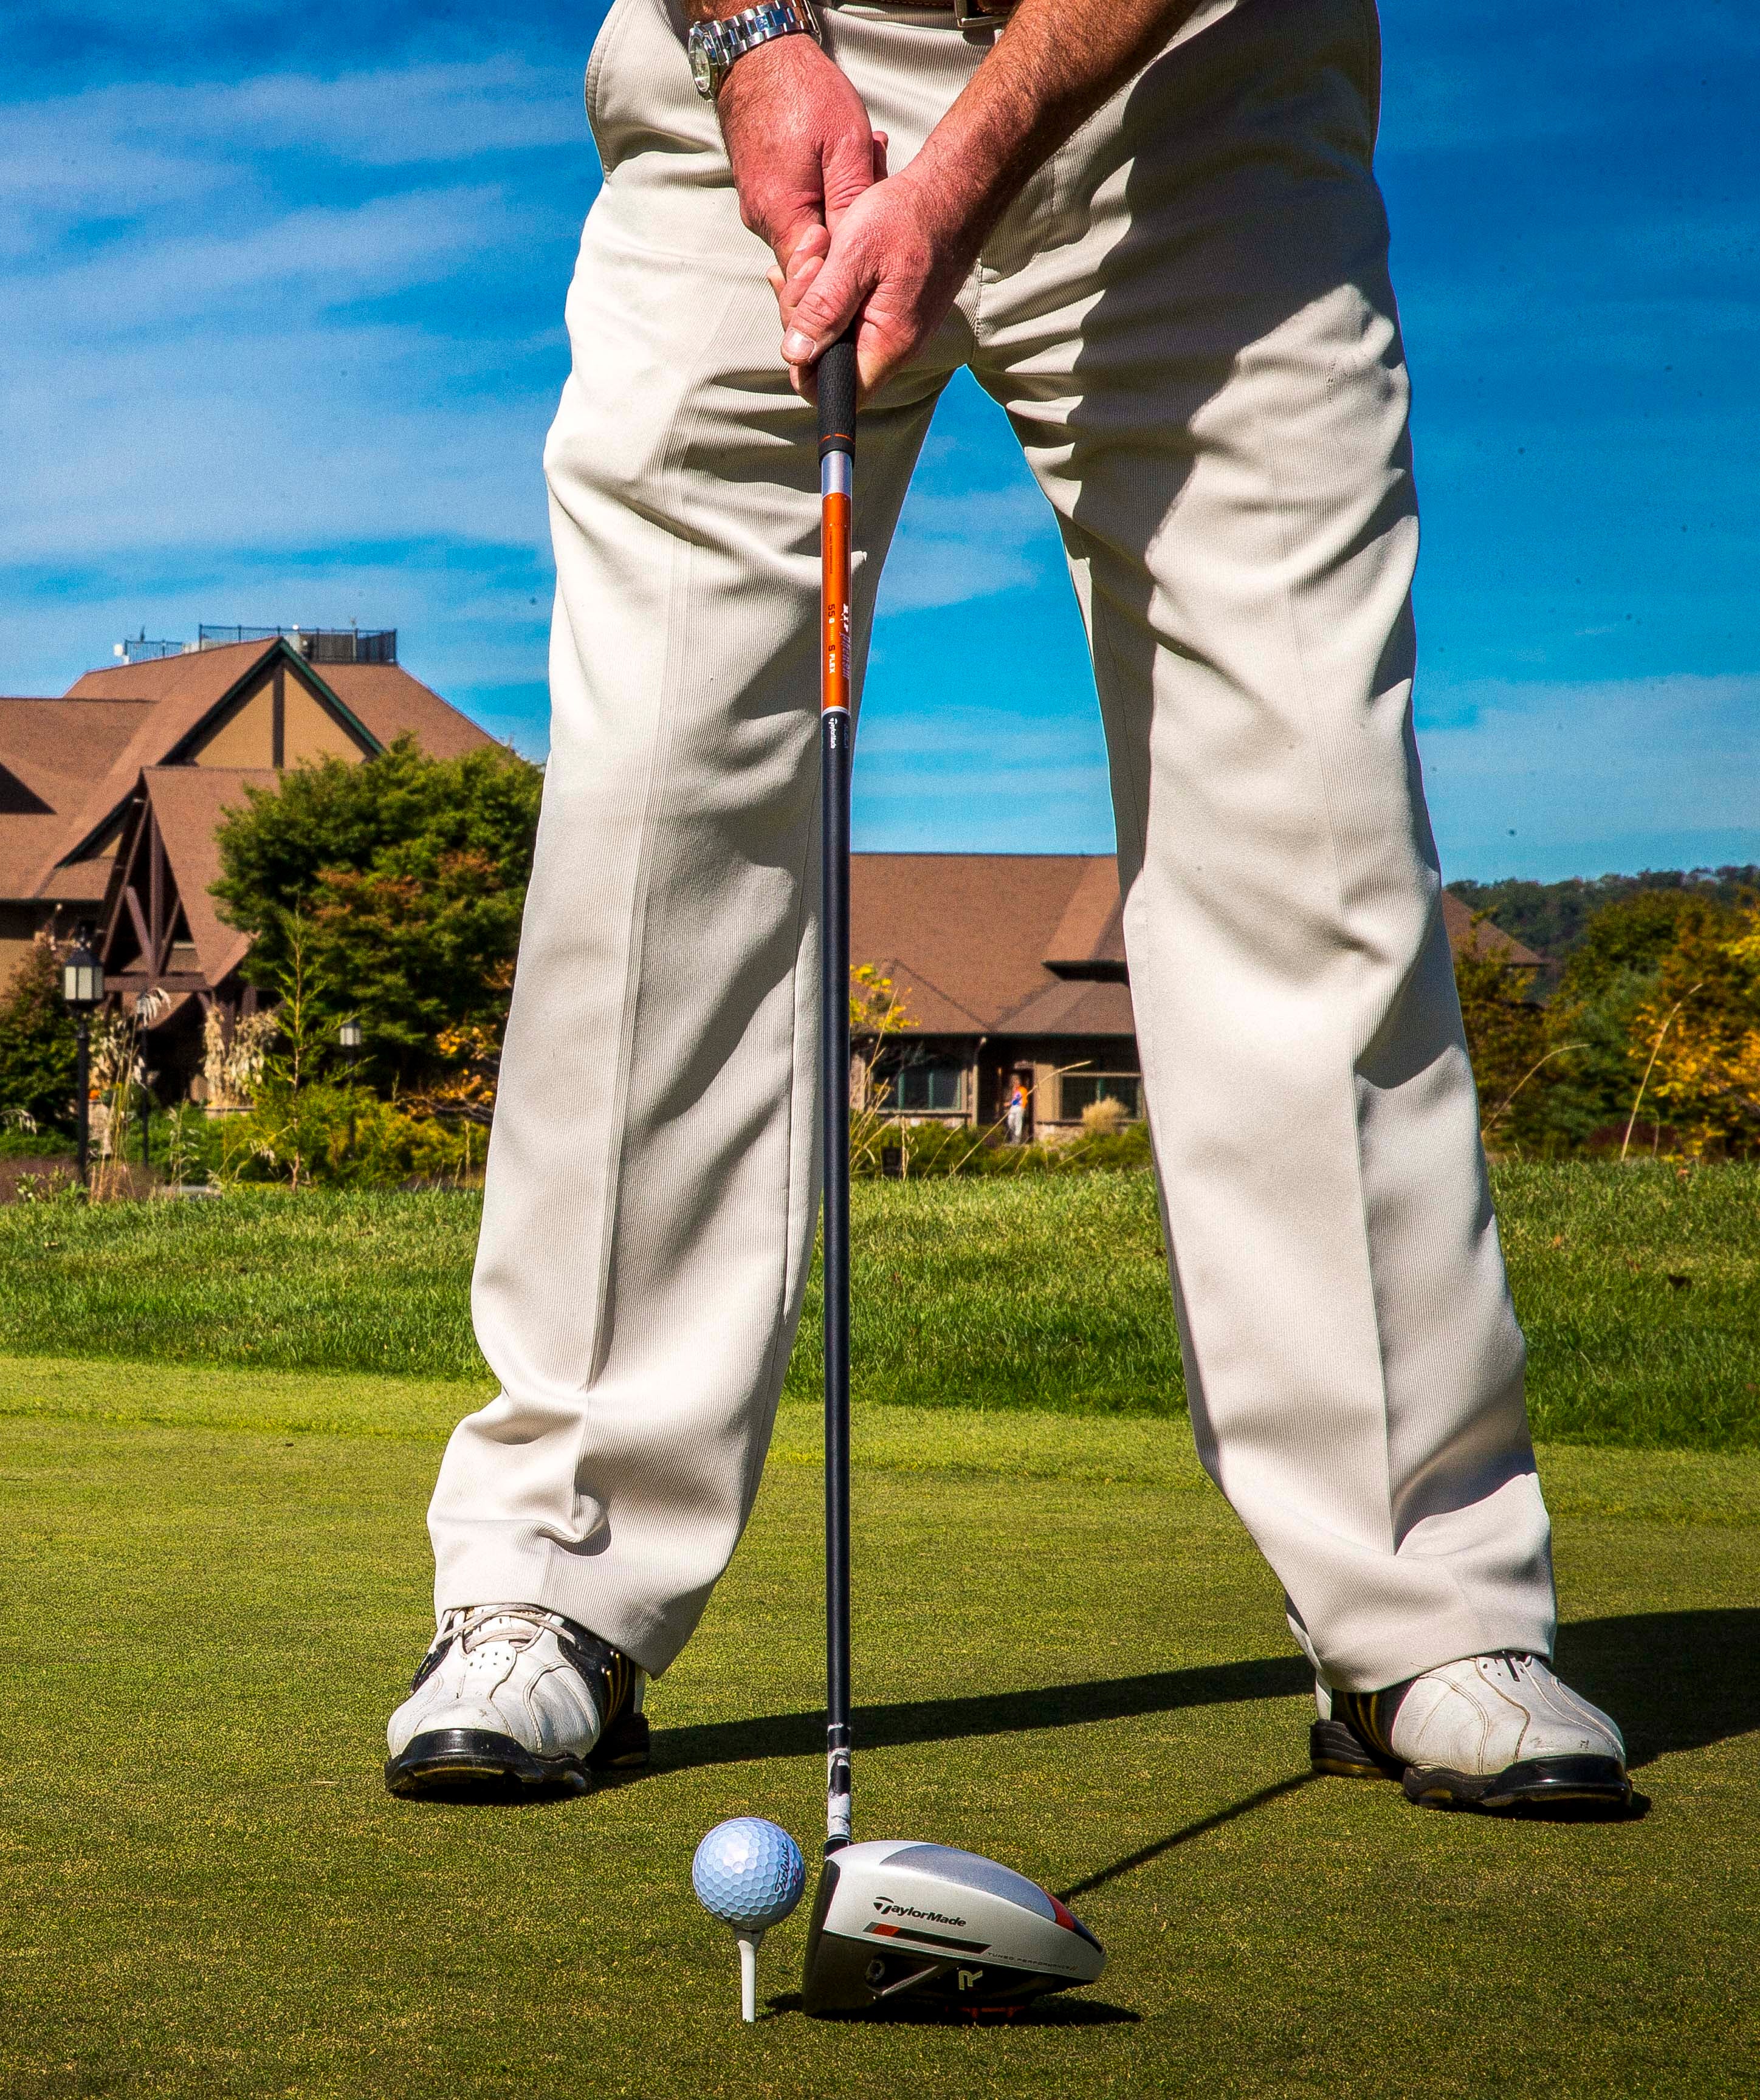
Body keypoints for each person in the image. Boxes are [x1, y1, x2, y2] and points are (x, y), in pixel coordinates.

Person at [383, 0, 1630, 1816]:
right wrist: (752, 42)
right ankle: (550, 1575)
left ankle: (1421, 1602)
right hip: (774, 54)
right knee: (656, 801)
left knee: (1310, 810)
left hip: (1189, 86)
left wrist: (972, 150)